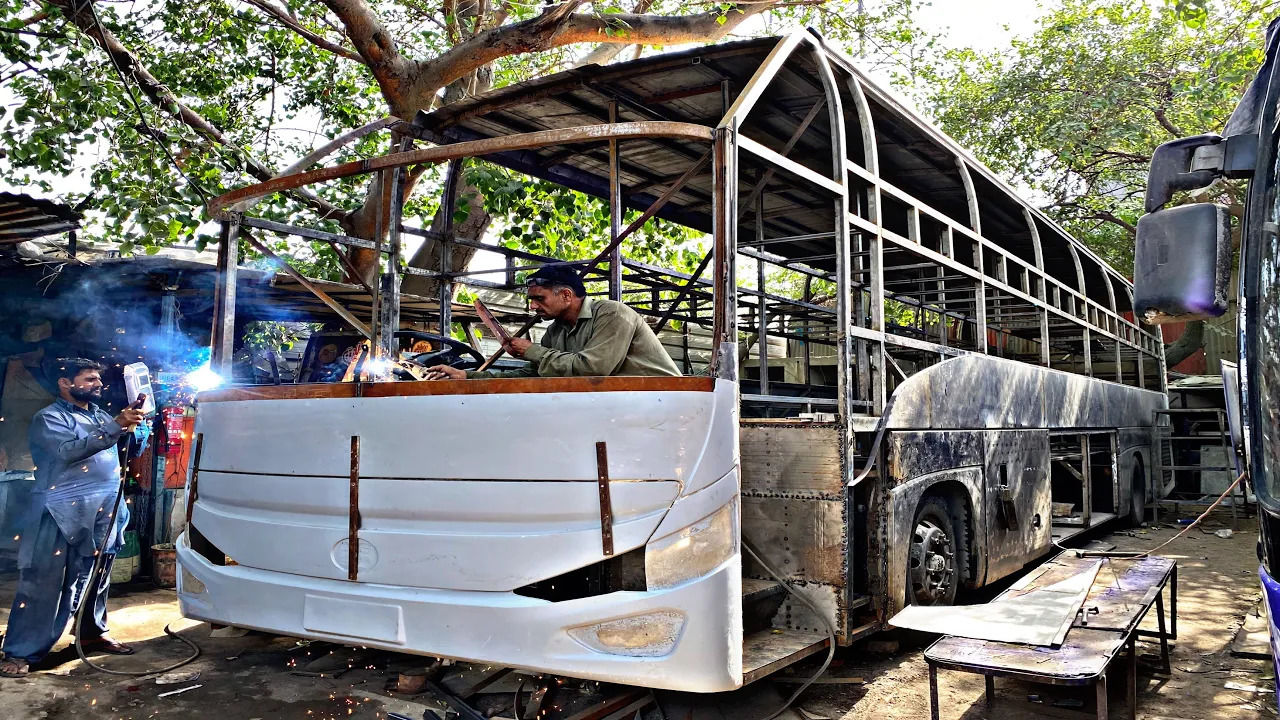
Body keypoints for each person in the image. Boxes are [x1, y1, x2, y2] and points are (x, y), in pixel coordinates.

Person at [0, 359, 147, 678]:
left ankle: (92, 631)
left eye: (98, 379)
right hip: (61, 512)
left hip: (104, 511)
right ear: (66, 383)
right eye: (89, 378)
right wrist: (116, 425)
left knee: (97, 576)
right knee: (43, 582)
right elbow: (69, 452)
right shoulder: (48, 418)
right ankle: (21, 650)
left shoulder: (97, 415)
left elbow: (123, 449)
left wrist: (137, 425)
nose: (98, 384)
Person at [427, 265, 681, 380]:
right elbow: (534, 374)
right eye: (531, 300)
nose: (533, 306)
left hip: (666, 402)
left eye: (539, 298)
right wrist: (466, 376)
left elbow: (594, 369)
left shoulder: (613, 314)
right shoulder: (555, 331)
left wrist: (533, 351)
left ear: (567, 295)